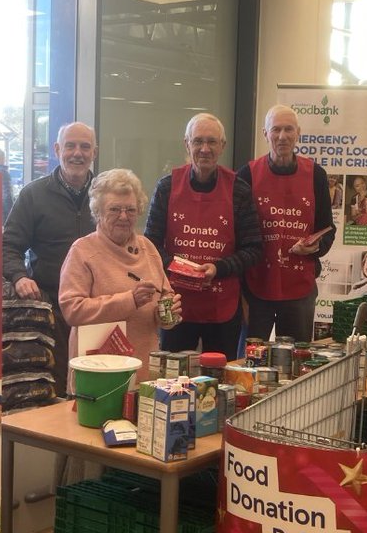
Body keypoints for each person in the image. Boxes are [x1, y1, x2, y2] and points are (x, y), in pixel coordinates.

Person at [144, 113, 262, 355]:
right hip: (175, 304)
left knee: (219, 382)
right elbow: (150, 246)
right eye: (198, 141)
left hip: (222, 306)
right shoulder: (166, 187)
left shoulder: (239, 189)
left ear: (222, 146)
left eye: (211, 142)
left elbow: (253, 249)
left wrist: (218, 268)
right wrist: (180, 269)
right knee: (172, 381)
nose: (204, 149)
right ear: (187, 144)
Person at [2, 122, 97, 395]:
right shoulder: (34, 194)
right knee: (55, 384)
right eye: (70, 146)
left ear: (94, 152)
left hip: (98, 309)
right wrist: (19, 276)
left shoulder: (105, 195)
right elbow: (9, 245)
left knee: (94, 382)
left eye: (85, 146)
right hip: (51, 309)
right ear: (57, 149)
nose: (77, 153)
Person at [58, 170, 182, 368]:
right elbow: (72, 311)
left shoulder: (148, 248)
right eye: (114, 209)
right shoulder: (82, 251)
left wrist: (168, 314)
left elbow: (165, 299)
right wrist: (129, 300)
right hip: (98, 370)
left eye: (130, 210)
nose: (123, 217)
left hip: (144, 367)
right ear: (98, 212)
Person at [237, 105, 336, 344]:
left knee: (295, 360)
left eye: (288, 129)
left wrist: (315, 247)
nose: (282, 136)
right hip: (255, 286)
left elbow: (327, 229)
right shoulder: (246, 174)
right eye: (276, 130)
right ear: (265, 134)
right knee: (249, 360)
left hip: (299, 287)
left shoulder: (316, 175)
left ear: (298, 133)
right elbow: (237, 234)